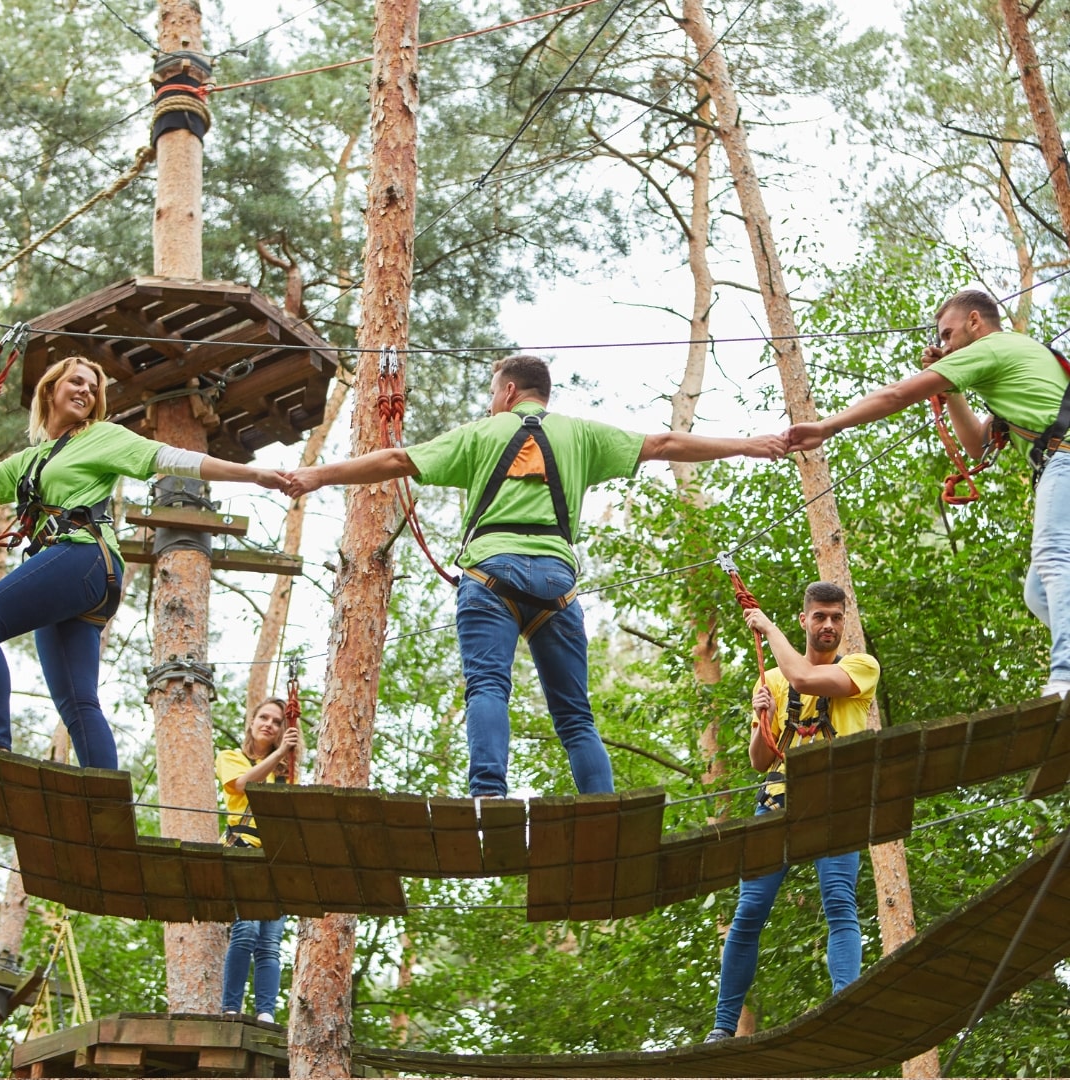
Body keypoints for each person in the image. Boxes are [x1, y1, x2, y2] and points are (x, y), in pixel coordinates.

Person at [282, 353, 786, 797]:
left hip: (490, 574)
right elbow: (664, 443)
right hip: (556, 583)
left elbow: (396, 458)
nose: (490, 406)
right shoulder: (581, 434)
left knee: (487, 687)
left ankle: (488, 796)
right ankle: (602, 807)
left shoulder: (481, 433)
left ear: (508, 391)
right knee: (575, 715)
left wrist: (316, 475)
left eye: (491, 395)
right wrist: (747, 444)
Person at [0, 355, 288, 769]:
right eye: (76, 382)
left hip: (82, 557)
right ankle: (105, 798)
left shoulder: (99, 436)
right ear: (50, 389)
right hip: (71, 575)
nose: (86, 391)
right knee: (77, 701)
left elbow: (170, 458)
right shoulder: (29, 460)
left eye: (92, 388)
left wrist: (251, 474)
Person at [785, 289, 1070, 699]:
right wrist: (952, 391)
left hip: (1064, 459)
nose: (945, 346)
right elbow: (976, 445)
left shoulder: (992, 347)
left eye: (948, 334)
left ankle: (1065, 676)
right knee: (1038, 592)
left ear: (975, 321)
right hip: (1059, 462)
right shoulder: (1015, 359)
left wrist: (828, 426)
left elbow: (897, 394)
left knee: (1054, 557)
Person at [705, 581, 880, 1042]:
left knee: (839, 901)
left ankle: (843, 1008)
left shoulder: (861, 667)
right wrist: (762, 717)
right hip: (778, 799)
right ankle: (723, 1026)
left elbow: (804, 679)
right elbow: (760, 760)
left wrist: (768, 627)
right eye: (819, 616)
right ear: (805, 620)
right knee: (749, 911)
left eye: (836, 617)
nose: (828, 625)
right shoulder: (773, 680)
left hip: (835, 803)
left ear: (844, 622)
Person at [216, 696, 300, 1024]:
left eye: (277, 722)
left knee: (269, 943)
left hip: (276, 860)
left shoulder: (286, 774)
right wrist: (280, 754)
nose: (269, 724)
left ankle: (265, 1013)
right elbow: (242, 784)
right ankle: (231, 1009)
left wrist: (286, 757)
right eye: (264, 718)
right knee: (246, 930)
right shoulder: (230, 757)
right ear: (251, 722)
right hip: (242, 852)